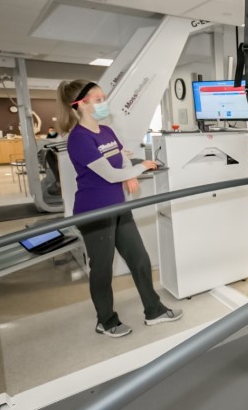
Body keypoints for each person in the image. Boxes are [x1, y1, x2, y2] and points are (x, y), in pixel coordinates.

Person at [56, 79, 182, 338]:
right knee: (102, 268)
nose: (104, 103)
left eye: (104, 98)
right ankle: (106, 320)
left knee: (139, 259)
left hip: (118, 206)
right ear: (80, 105)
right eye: (98, 99)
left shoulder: (106, 131)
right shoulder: (78, 139)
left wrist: (130, 171)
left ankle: (154, 310)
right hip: (95, 212)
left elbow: (122, 158)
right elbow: (110, 175)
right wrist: (138, 169)